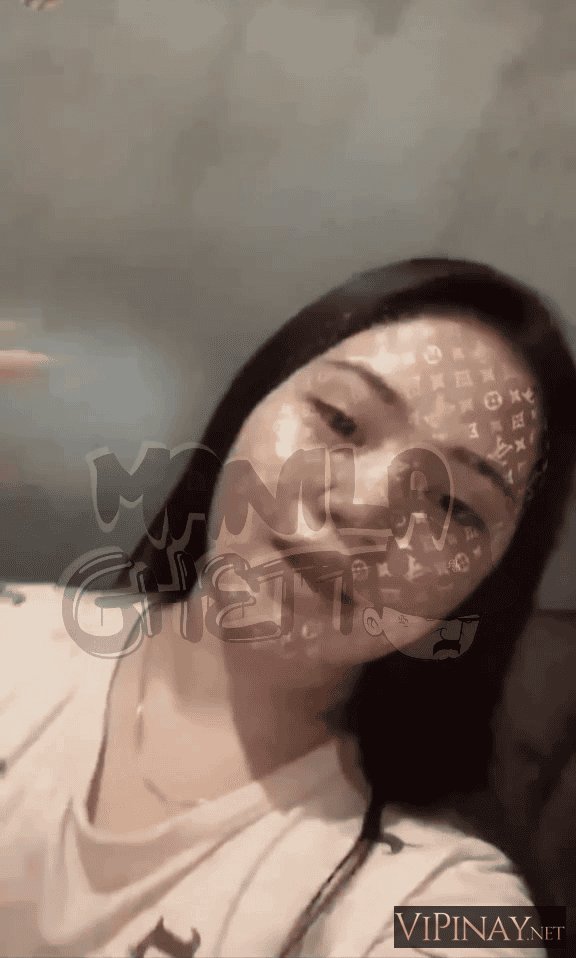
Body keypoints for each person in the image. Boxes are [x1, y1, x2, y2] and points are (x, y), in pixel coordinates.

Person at [1, 257, 575, 957]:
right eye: (341, 421)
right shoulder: (14, 642)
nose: (363, 507)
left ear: (482, 588)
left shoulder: (442, 901)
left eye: (454, 505)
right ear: (253, 403)